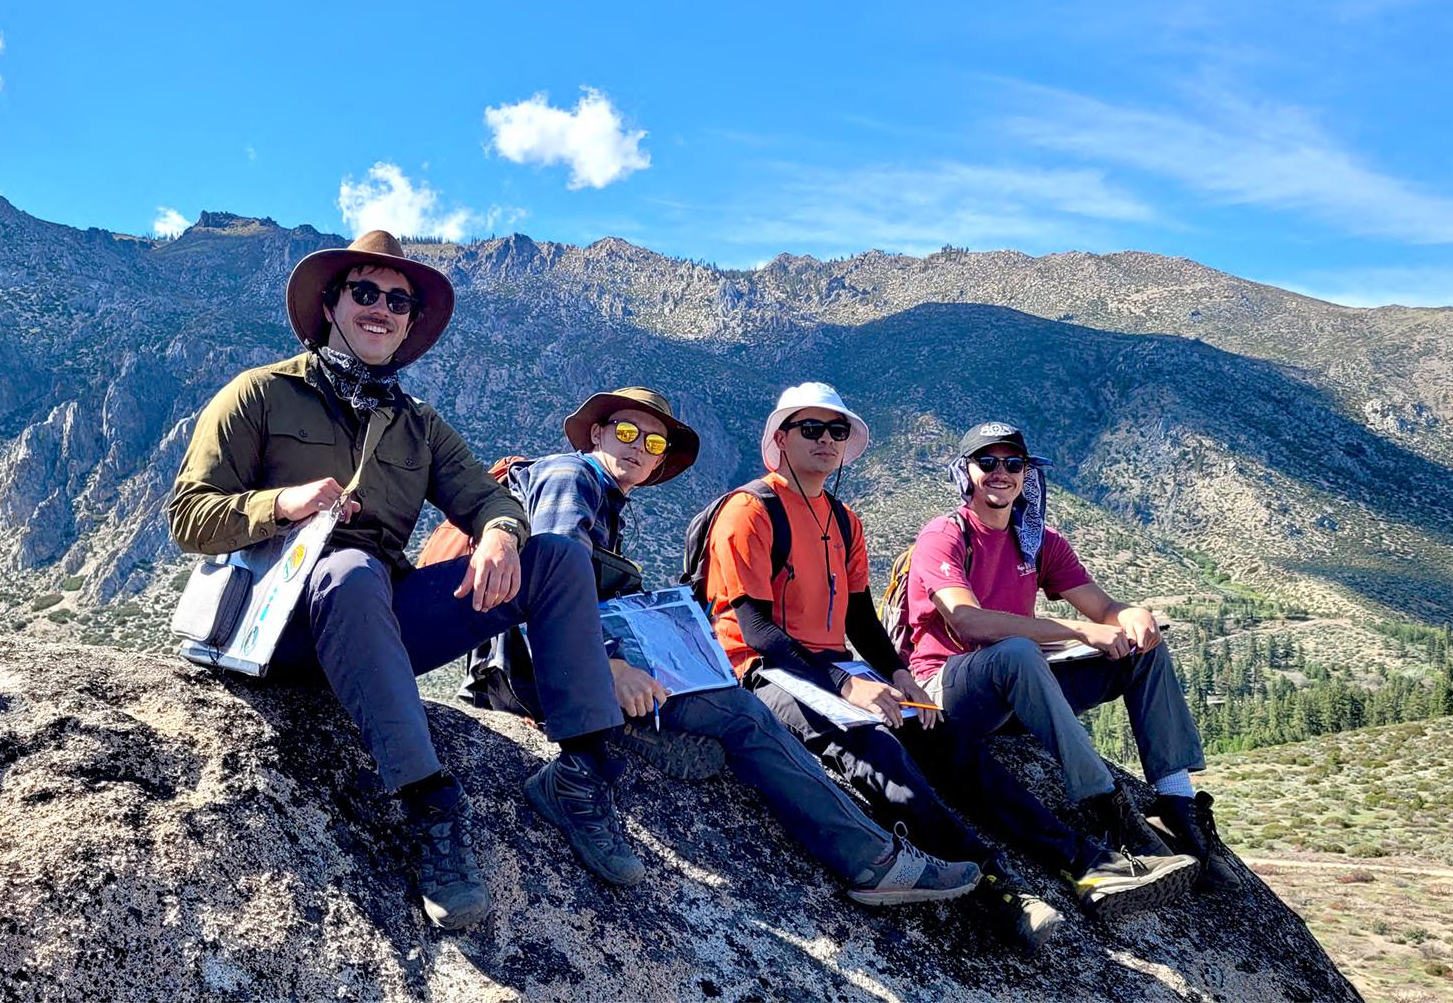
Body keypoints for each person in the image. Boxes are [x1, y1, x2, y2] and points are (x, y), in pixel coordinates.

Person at [167, 231, 639, 931]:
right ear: (331, 304)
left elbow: (490, 497)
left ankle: (581, 774)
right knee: (351, 568)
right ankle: (431, 808)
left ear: (410, 322)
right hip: (282, 625)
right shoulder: (261, 395)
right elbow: (187, 515)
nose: (380, 309)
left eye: (398, 300)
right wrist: (283, 505)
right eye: (365, 292)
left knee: (561, 560)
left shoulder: (419, 425)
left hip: (377, 625)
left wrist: (502, 535)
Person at [460, 387, 987, 913]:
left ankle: (642, 740)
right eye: (624, 432)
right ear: (596, 433)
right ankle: (874, 863)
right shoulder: (571, 478)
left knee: (710, 723)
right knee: (742, 715)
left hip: (553, 664)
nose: (637, 446)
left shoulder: (605, 500)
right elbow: (551, 585)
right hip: (542, 664)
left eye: (653, 441)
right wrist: (610, 663)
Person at [697, 382, 1067, 947]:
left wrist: (896, 674)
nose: (826, 440)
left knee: (945, 735)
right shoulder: (751, 511)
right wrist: (847, 684)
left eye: (836, 430)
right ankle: (996, 887)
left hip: (834, 664)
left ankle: (1068, 851)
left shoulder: (844, 521)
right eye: (811, 429)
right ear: (781, 438)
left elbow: (862, 621)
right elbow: (759, 633)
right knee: (876, 749)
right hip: (766, 672)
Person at [901, 420, 1239, 899]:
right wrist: (1082, 630)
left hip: (1021, 688)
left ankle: (1177, 802)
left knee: (1143, 649)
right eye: (987, 462)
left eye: (1012, 464)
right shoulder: (945, 535)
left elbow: (1104, 609)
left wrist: (1133, 615)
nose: (1001, 473)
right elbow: (969, 623)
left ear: (1026, 474)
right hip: (950, 689)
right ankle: (1107, 806)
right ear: (966, 472)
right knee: (1016, 650)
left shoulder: (1039, 541)